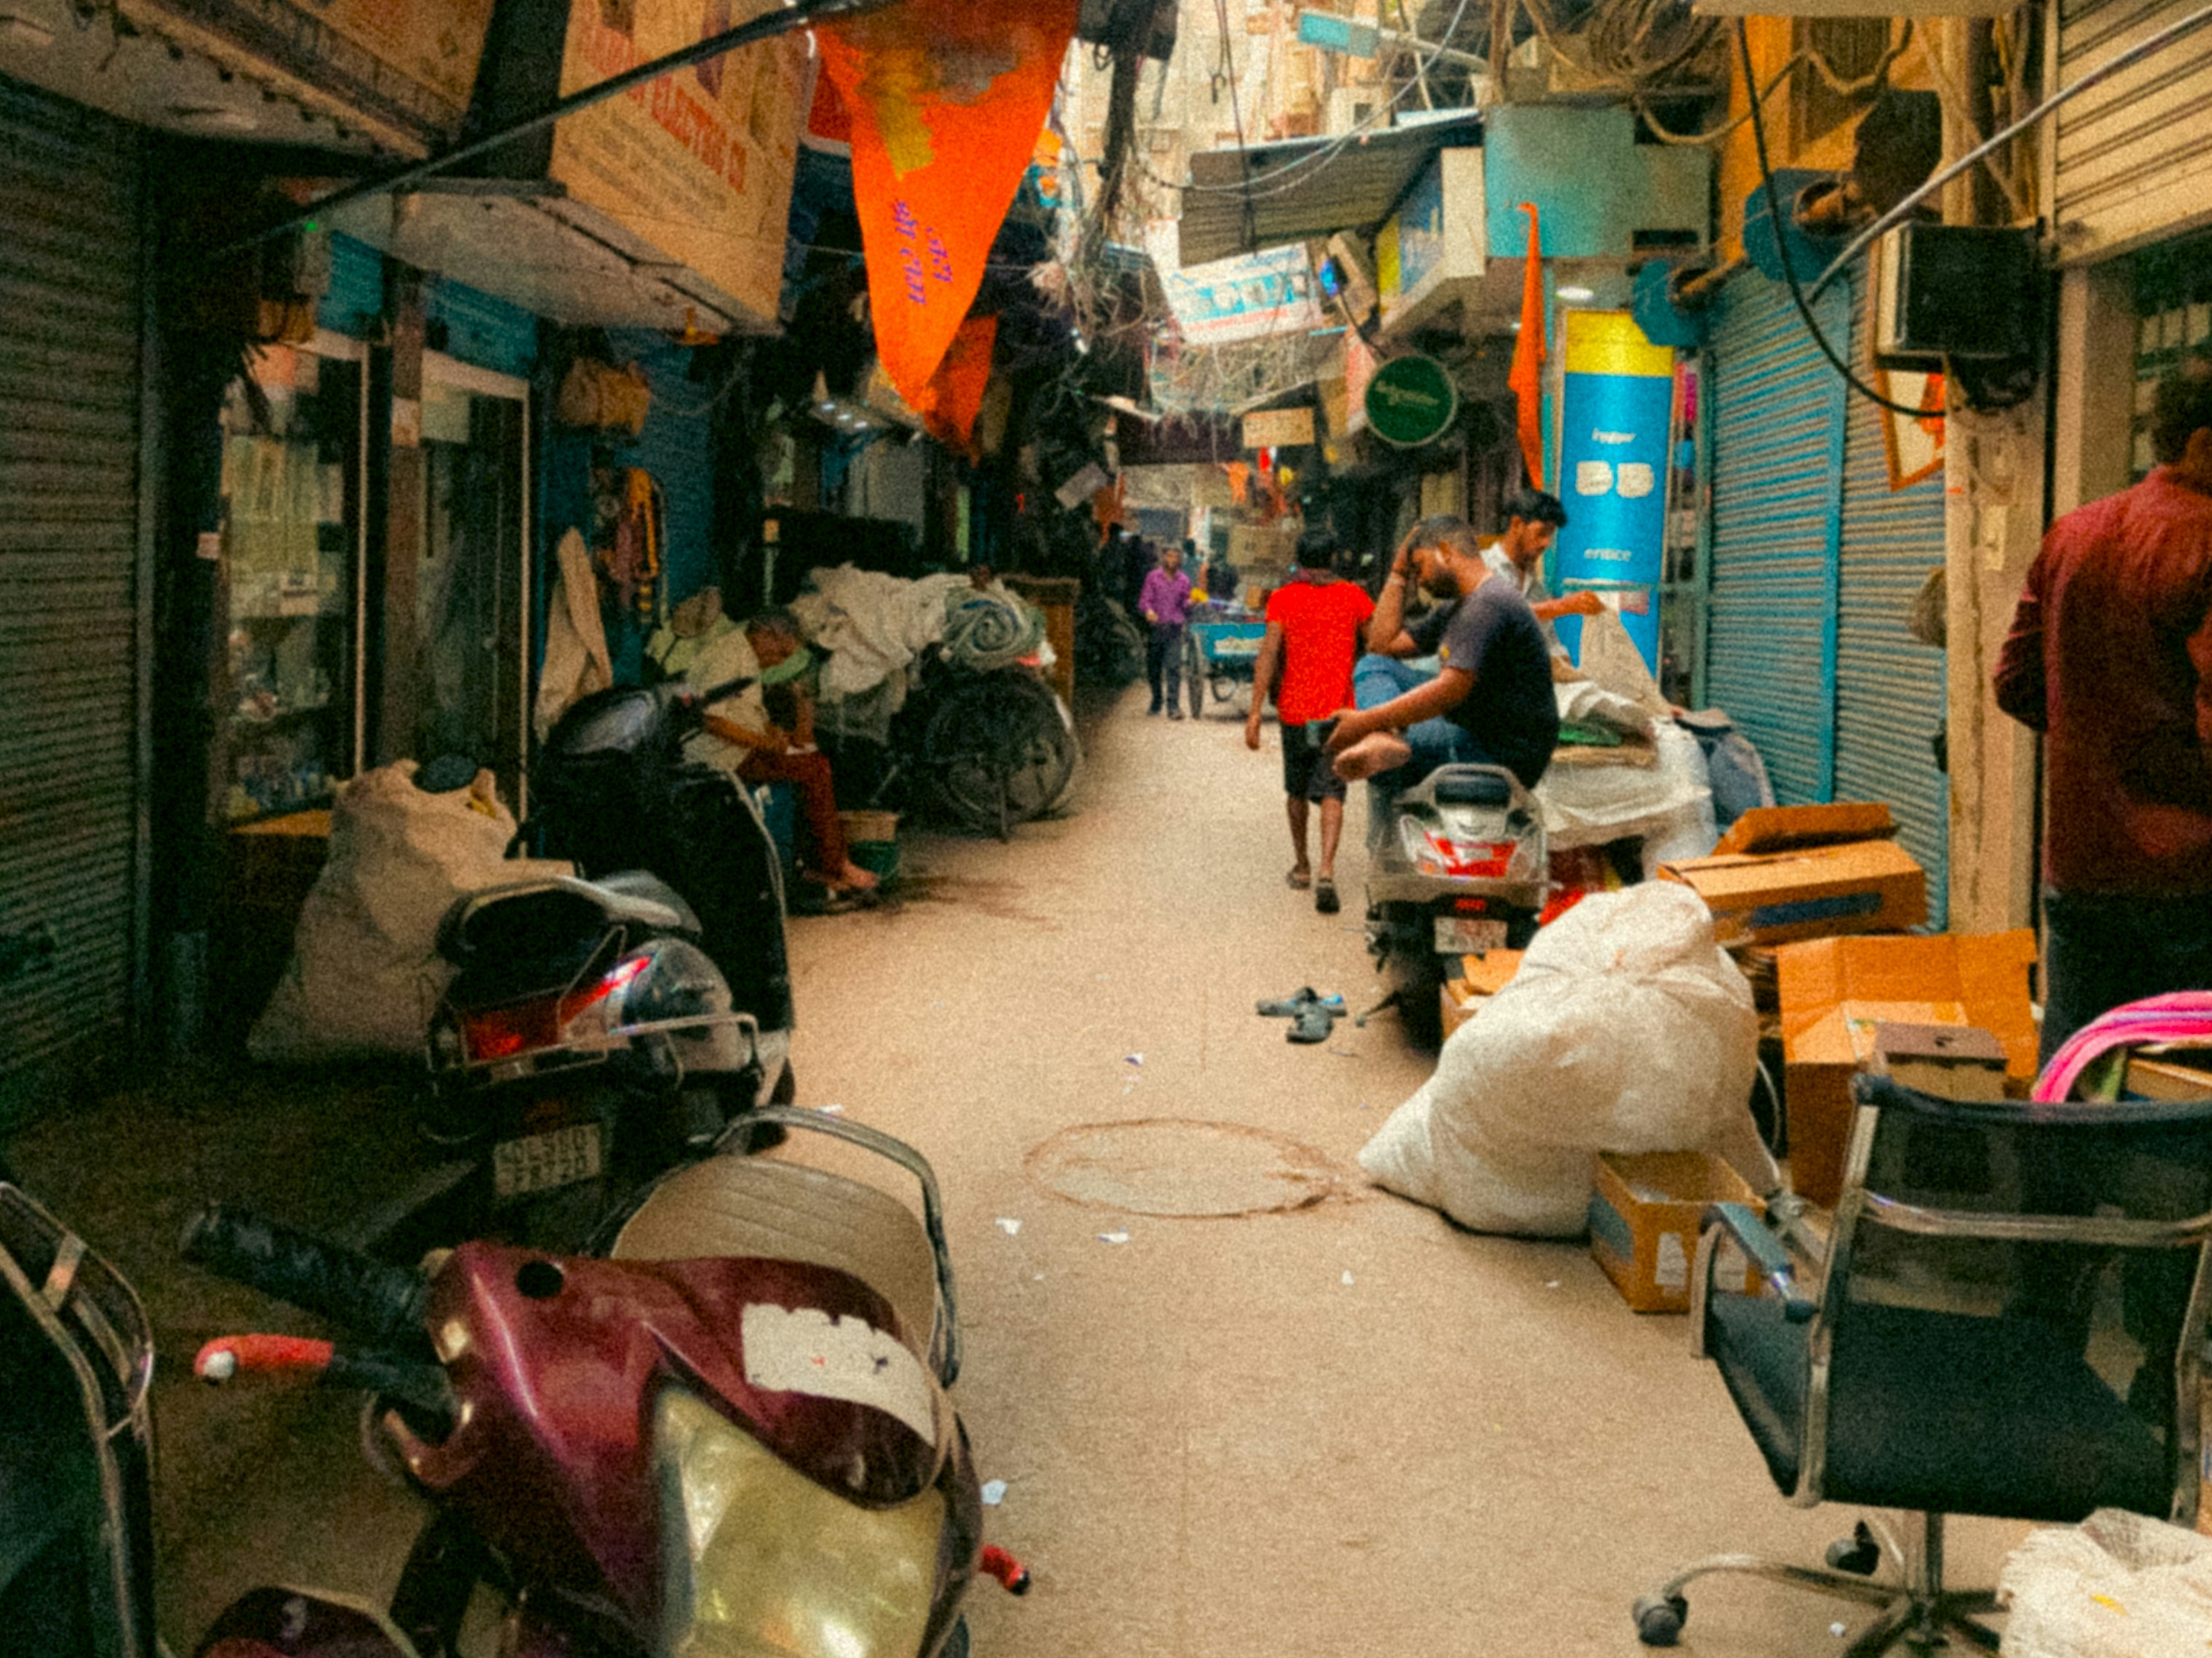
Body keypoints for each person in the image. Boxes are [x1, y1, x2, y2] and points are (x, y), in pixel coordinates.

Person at [1994, 352, 2212, 1068]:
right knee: (2179, 1091)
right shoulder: (2205, 538)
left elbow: (2015, 683)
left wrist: (2098, 745)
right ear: (2201, 444)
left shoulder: (2072, 534)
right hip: (2189, 879)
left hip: (2081, 867)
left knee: (2077, 1069)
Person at [1325, 515, 1559, 792]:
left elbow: (1450, 689)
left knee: (1375, 761)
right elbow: (1381, 645)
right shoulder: (1458, 607)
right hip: (1473, 730)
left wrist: (1369, 720)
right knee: (1373, 665)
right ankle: (1383, 738)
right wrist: (1398, 572)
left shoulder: (1488, 604)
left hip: (1499, 754)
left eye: (1419, 567)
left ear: (1446, 551)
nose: (1420, 581)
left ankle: (1383, 738)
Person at [698, 607, 878, 898]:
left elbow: (742, 711)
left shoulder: (743, 653)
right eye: (781, 653)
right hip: (723, 755)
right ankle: (837, 865)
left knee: (811, 766)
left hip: (742, 748)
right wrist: (764, 743)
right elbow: (711, 720)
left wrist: (772, 732)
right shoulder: (727, 656)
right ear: (766, 634)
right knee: (816, 769)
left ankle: (813, 866)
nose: (779, 662)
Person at [1245, 526, 1377, 915]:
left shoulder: (1283, 599)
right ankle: (1327, 870)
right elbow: (1378, 644)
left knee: (1297, 791)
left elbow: (1268, 654)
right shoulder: (1354, 596)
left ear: (1300, 560)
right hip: (1338, 715)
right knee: (1334, 791)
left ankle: (1302, 866)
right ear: (1333, 558)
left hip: (1295, 713)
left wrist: (1255, 713)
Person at [1479, 486, 1601, 665]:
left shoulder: (1536, 589)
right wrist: (1563, 606)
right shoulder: (1481, 567)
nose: (1546, 543)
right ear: (1517, 524)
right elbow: (1501, 617)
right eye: (1541, 533)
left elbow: (1552, 645)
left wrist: (1565, 666)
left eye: (1550, 535)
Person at [1138, 540, 1194, 718]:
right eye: (1169, 556)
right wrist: (1148, 611)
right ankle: (1157, 700)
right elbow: (1145, 600)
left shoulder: (1184, 580)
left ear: (1180, 559)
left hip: (1174, 628)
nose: (1172, 560)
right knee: (1154, 668)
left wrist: (1191, 602)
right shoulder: (1153, 577)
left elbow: (1185, 606)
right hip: (1156, 628)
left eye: (1176, 557)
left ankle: (1173, 706)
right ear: (1163, 557)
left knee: (1174, 667)